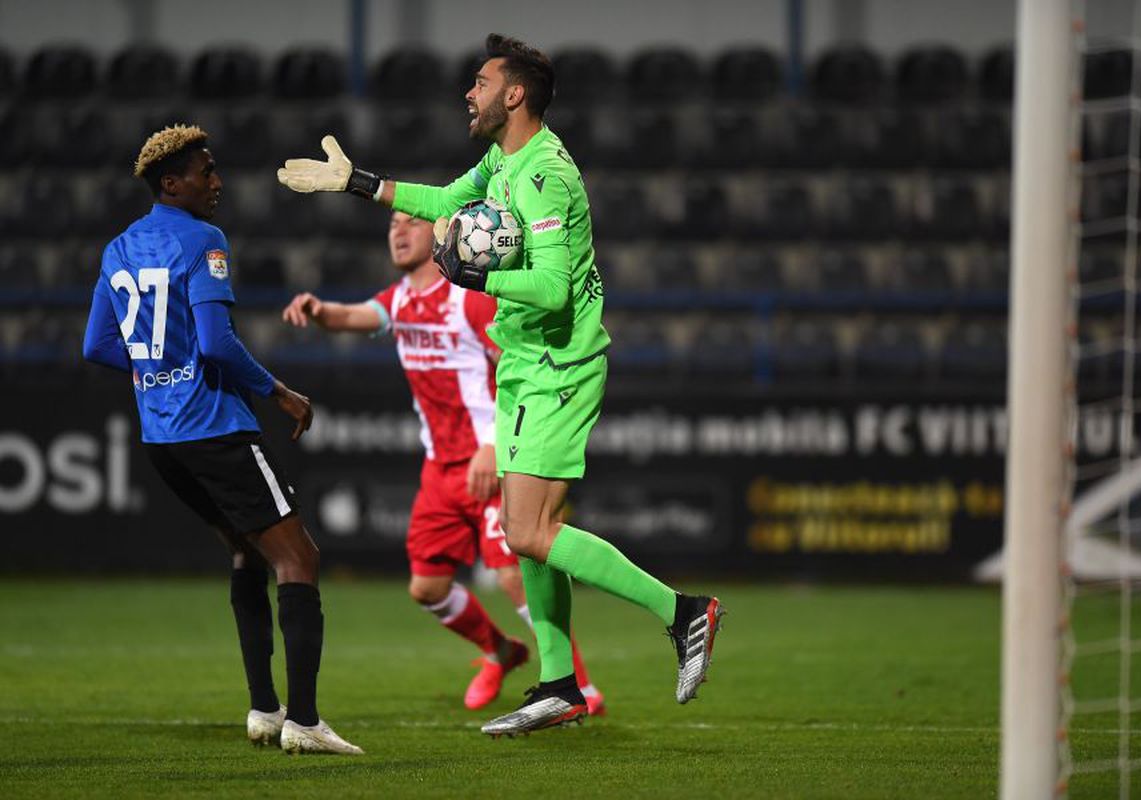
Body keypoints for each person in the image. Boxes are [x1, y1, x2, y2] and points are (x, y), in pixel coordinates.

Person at [276, 33, 723, 737]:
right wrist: (359, 182)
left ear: (513, 95)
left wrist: (471, 272)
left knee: (530, 531)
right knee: (527, 537)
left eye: (480, 83)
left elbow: (549, 288)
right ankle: (559, 684)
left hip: (559, 367)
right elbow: (444, 200)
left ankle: (683, 612)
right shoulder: (501, 160)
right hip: (521, 365)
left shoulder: (545, 172)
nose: (469, 92)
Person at [83, 124, 361, 755]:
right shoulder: (204, 238)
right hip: (214, 427)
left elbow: (96, 345)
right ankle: (307, 722)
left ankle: (265, 709)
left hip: (161, 437)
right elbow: (215, 343)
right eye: (205, 172)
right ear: (172, 183)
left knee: (245, 551)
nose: (217, 182)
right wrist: (281, 393)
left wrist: (156, 365)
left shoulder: (119, 247)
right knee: (300, 559)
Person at [279, 210, 605, 715]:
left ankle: (577, 685)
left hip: (493, 461)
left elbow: (521, 368)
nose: (397, 230)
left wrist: (497, 444)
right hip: (440, 470)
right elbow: (356, 316)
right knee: (427, 588)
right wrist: (319, 310)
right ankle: (500, 651)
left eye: (411, 222)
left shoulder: (469, 300)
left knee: (516, 575)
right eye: (391, 224)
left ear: (443, 234)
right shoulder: (402, 300)